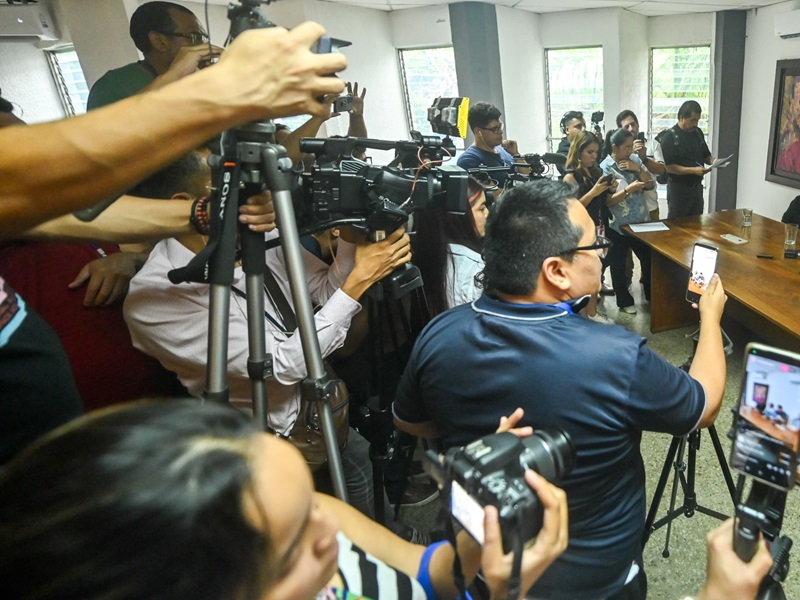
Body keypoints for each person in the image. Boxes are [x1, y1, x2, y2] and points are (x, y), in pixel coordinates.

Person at [393, 179, 729, 600]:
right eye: (595, 244)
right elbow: (703, 405)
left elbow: (410, 422)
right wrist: (711, 318)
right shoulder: (615, 356)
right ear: (556, 270)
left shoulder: (438, 333)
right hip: (599, 585)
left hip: (484, 571)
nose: (603, 252)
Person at [0, 398, 570, 600]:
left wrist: (478, 525)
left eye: (309, 499)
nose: (328, 524)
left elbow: (430, 573)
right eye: (294, 542)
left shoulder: (318, 519)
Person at [122, 150, 412, 520]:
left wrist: (350, 242)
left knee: (361, 474)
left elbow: (324, 291)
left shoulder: (260, 234)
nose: (255, 192)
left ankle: (388, 534)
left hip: (322, 405)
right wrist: (360, 280)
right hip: (268, 437)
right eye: (233, 182)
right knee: (308, 523)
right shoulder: (154, 298)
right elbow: (280, 366)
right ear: (187, 204)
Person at [0, 21, 346, 239]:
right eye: (192, 36)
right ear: (158, 39)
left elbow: (60, 214)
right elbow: (34, 183)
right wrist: (220, 94)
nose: (201, 43)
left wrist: (209, 213)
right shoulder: (119, 85)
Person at [86, 1, 222, 110]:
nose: (203, 45)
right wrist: (173, 76)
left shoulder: (196, 79)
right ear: (159, 41)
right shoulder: (111, 87)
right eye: (195, 37)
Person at [414, 176, 488, 316]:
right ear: (460, 216)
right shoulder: (477, 270)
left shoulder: (424, 257)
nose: (487, 214)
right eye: (482, 208)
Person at [599, 128, 653, 314]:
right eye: (626, 147)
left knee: (648, 260)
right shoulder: (606, 167)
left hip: (641, 222)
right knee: (618, 264)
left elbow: (650, 184)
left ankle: (652, 295)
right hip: (618, 224)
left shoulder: (635, 160)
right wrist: (628, 190)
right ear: (615, 147)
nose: (630, 151)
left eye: (631, 147)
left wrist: (637, 168)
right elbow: (607, 202)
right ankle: (624, 301)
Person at [562, 130, 615, 303]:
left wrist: (610, 190)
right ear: (578, 152)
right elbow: (572, 208)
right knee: (585, 260)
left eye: (596, 152)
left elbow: (605, 201)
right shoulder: (570, 176)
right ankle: (586, 289)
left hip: (600, 221)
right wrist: (593, 192)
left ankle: (598, 281)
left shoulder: (596, 172)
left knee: (602, 257)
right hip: (582, 227)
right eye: (590, 152)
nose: (594, 156)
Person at [658, 101, 715, 218]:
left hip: (697, 189)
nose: (695, 124)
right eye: (692, 120)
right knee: (677, 225)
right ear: (682, 117)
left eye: (697, 120)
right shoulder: (669, 137)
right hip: (679, 190)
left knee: (696, 223)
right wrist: (693, 170)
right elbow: (668, 167)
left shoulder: (697, 133)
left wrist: (715, 161)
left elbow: (706, 156)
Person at [457, 102, 527, 190]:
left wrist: (516, 155)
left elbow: (529, 179)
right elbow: (496, 194)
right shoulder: (468, 160)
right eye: (495, 129)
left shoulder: (505, 150)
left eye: (500, 126)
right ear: (478, 131)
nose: (501, 132)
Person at [616, 109, 667, 221]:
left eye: (633, 124)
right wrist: (630, 152)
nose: (631, 129)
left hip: (650, 206)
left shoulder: (653, 144)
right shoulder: (619, 150)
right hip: (628, 209)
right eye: (626, 127)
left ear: (638, 124)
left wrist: (644, 159)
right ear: (620, 130)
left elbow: (662, 171)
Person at [555, 110, 586, 176]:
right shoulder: (562, 154)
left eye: (584, 126)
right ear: (567, 130)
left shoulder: (584, 146)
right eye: (578, 126)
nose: (583, 129)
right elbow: (575, 173)